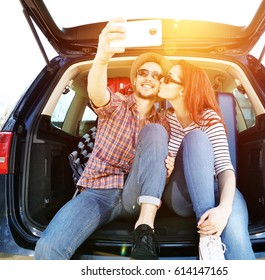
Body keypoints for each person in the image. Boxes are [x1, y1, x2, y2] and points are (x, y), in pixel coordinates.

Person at [34, 18, 173, 260]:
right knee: (48, 249)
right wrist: (102, 58)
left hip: (135, 197)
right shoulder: (117, 103)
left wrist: (166, 169)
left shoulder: (164, 122)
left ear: (162, 83)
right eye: (143, 72)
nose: (149, 78)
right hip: (98, 192)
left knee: (156, 132)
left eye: (156, 75)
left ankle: (145, 229)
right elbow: (98, 94)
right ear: (135, 78)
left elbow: (156, 171)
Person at [158, 60, 256, 260]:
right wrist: (165, 173)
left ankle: (209, 246)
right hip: (180, 194)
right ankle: (208, 236)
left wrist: (223, 209)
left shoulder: (209, 119)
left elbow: (224, 168)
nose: (161, 80)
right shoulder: (163, 121)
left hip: (215, 189)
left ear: (183, 90)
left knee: (235, 233)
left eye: (168, 78)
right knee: (195, 138)